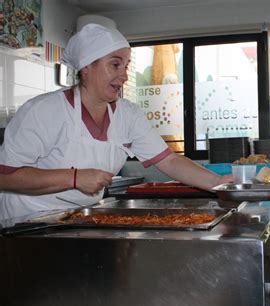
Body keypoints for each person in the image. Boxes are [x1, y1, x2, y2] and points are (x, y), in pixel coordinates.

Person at [0, 23, 232, 222]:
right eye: (115, 64)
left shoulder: (127, 116)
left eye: (126, 66)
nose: (124, 75)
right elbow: (5, 177)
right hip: (26, 223)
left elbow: (169, 161)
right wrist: (74, 178)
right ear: (87, 67)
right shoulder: (43, 111)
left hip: (79, 220)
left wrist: (221, 184)